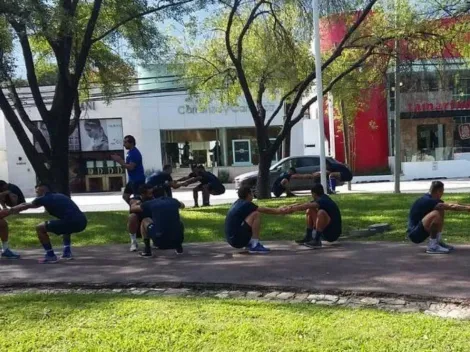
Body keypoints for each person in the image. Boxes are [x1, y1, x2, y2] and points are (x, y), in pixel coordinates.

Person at [6, 184, 87, 263]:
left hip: (72, 221)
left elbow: (26, 206)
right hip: (82, 221)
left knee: (40, 228)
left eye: (37, 192)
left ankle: (50, 255)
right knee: (65, 226)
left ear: (43, 191)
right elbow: (29, 205)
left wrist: (10, 210)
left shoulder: (44, 198)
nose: (36, 194)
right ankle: (67, 252)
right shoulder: (59, 196)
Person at [407, 181, 470, 254]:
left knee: (440, 210)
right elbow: (451, 207)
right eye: (442, 191)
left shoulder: (432, 199)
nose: (443, 193)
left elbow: (451, 204)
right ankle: (433, 247)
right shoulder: (427, 200)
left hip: (421, 229)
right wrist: (467, 208)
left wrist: (466, 206)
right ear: (438, 191)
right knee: (436, 213)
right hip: (415, 234)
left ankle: (437, 242)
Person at [225, 186, 287, 254]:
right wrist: (279, 211)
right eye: (252, 193)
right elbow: (265, 210)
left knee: (251, 214)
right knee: (256, 214)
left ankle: (250, 243)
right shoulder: (247, 204)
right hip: (237, 240)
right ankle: (255, 245)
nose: (253, 195)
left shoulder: (237, 203)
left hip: (232, 240)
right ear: (248, 194)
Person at [130, 186, 185, 257]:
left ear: (153, 195)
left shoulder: (151, 203)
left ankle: (147, 250)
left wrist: (135, 202)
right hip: (178, 239)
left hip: (159, 241)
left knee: (145, 220)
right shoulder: (174, 201)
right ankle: (179, 247)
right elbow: (183, 205)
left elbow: (133, 208)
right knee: (179, 222)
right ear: (165, 193)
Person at [282, 184, 342, 248]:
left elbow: (305, 206)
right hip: (327, 230)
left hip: (332, 233)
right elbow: (305, 204)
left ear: (314, 194)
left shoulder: (323, 201)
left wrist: (291, 209)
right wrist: (289, 207)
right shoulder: (321, 198)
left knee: (321, 212)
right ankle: (309, 237)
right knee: (310, 210)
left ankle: (317, 240)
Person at [112, 135, 146, 204]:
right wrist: (122, 163)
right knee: (125, 196)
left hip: (137, 180)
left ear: (131, 143)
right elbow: (127, 165)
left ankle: (139, 210)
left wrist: (119, 161)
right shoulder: (129, 153)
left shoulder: (134, 153)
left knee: (138, 198)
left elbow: (131, 167)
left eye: (125, 142)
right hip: (132, 180)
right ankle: (134, 208)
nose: (124, 144)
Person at [127, 184, 155, 252]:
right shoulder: (135, 199)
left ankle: (156, 240)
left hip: (151, 223)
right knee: (132, 216)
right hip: (138, 225)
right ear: (143, 194)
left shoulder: (154, 198)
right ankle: (133, 242)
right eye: (150, 193)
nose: (152, 195)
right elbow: (133, 208)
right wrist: (145, 206)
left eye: (152, 193)